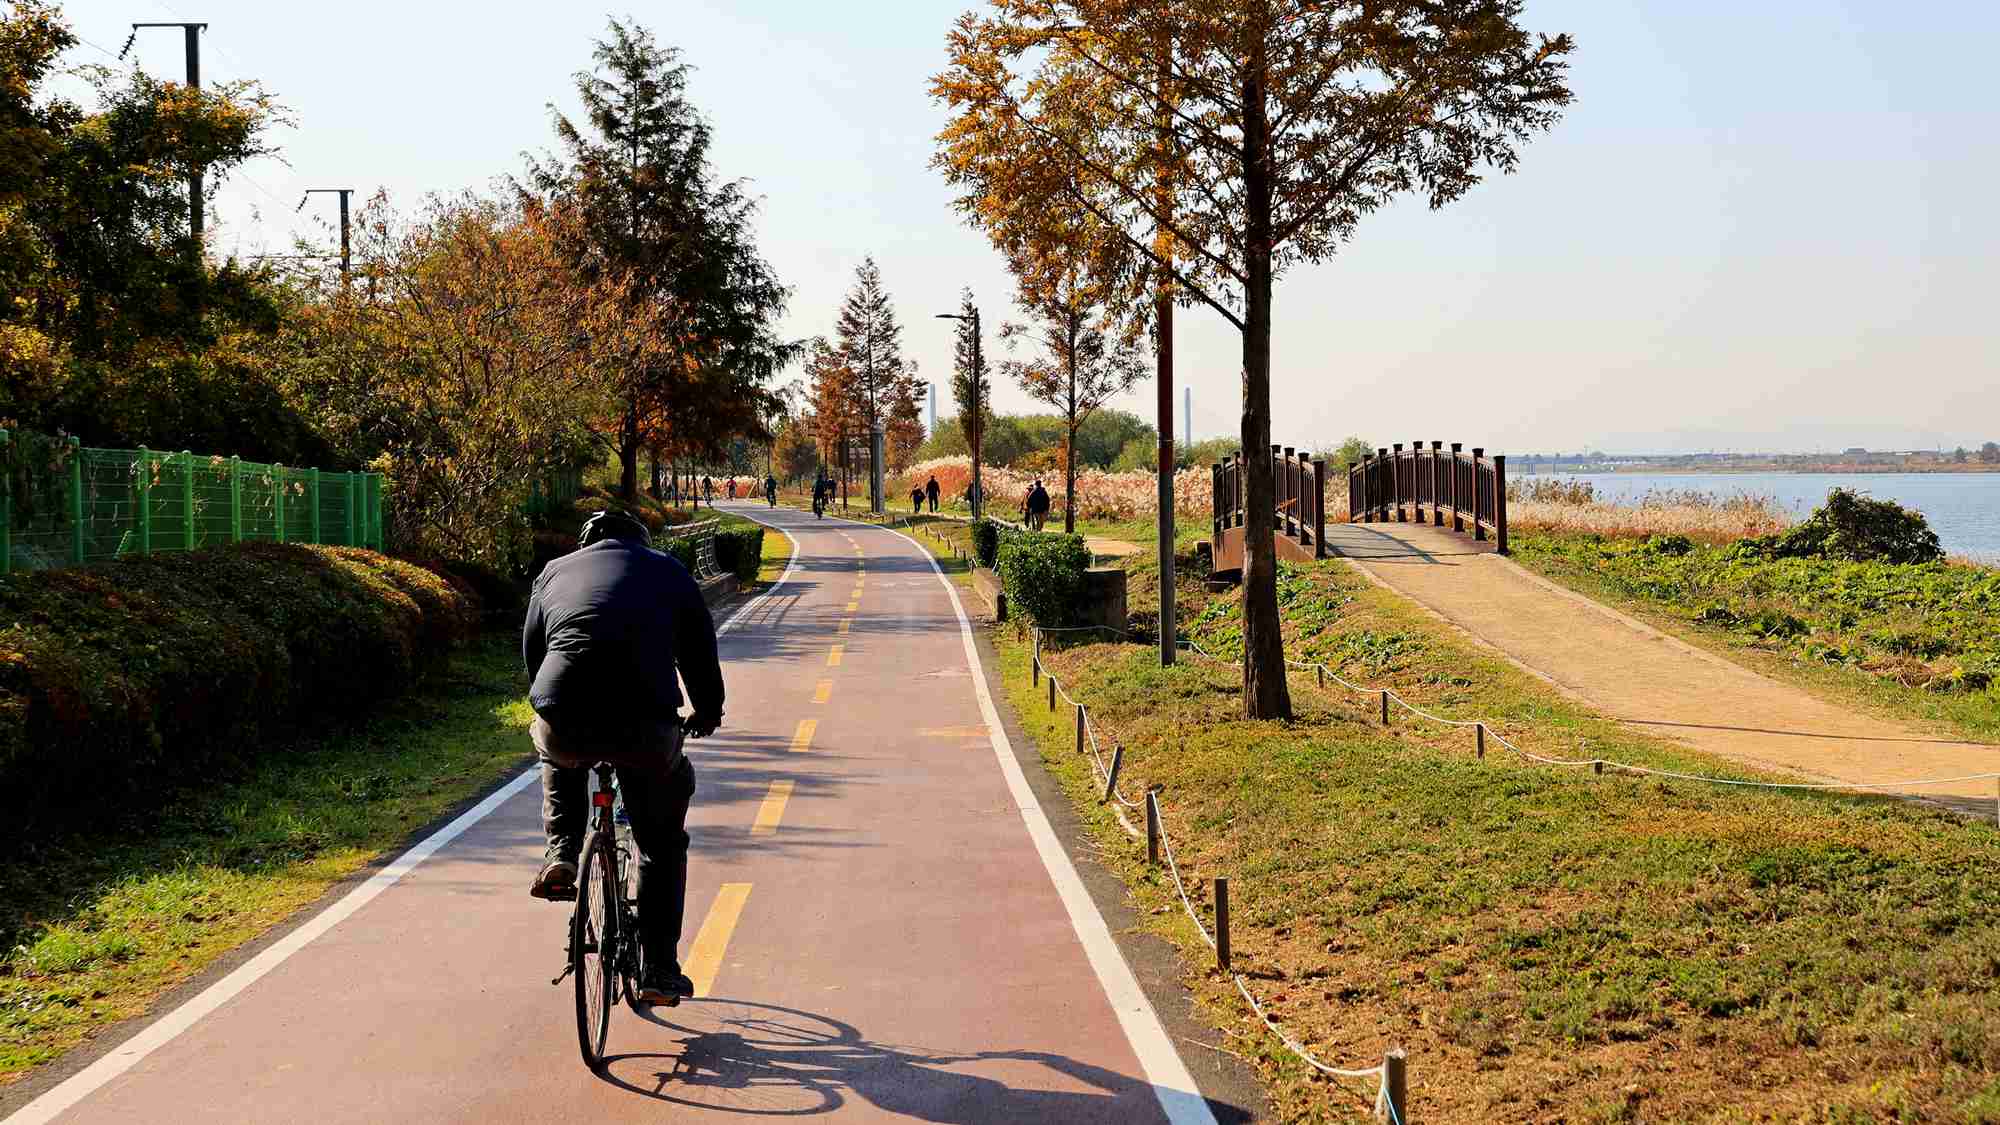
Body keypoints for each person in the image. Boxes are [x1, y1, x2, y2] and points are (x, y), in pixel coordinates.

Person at [523, 509, 724, 1006]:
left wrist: (552, 702)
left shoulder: (554, 571)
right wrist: (707, 711)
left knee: (557, 752)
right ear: (643, 540)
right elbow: (699, 651)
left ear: (586, 542)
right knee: (660, 841)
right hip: (645, 725)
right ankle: (658, 968)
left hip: (564, 712)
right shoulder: (669, 570)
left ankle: (563, 853)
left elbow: (534, 651)